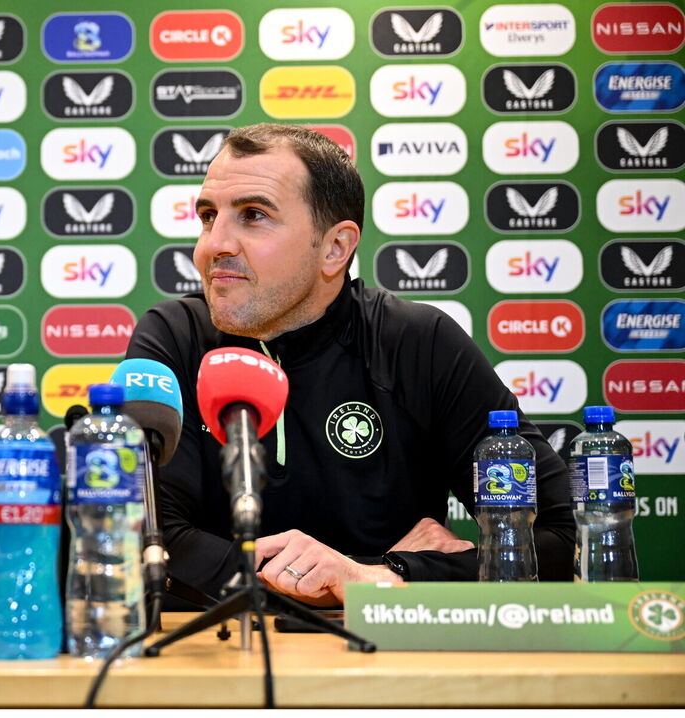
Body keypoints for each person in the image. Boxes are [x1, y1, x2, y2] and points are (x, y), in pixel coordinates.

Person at [126, 124, 575, 606]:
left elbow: (561, 541)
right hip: (207, 659)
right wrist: (352, 581)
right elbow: (146, 539)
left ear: (335, 248)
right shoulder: (173, 337)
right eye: (208, 216)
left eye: (253, 216)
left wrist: (384, 575)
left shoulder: (416, 344)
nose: (214, 245)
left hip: (385, 668)